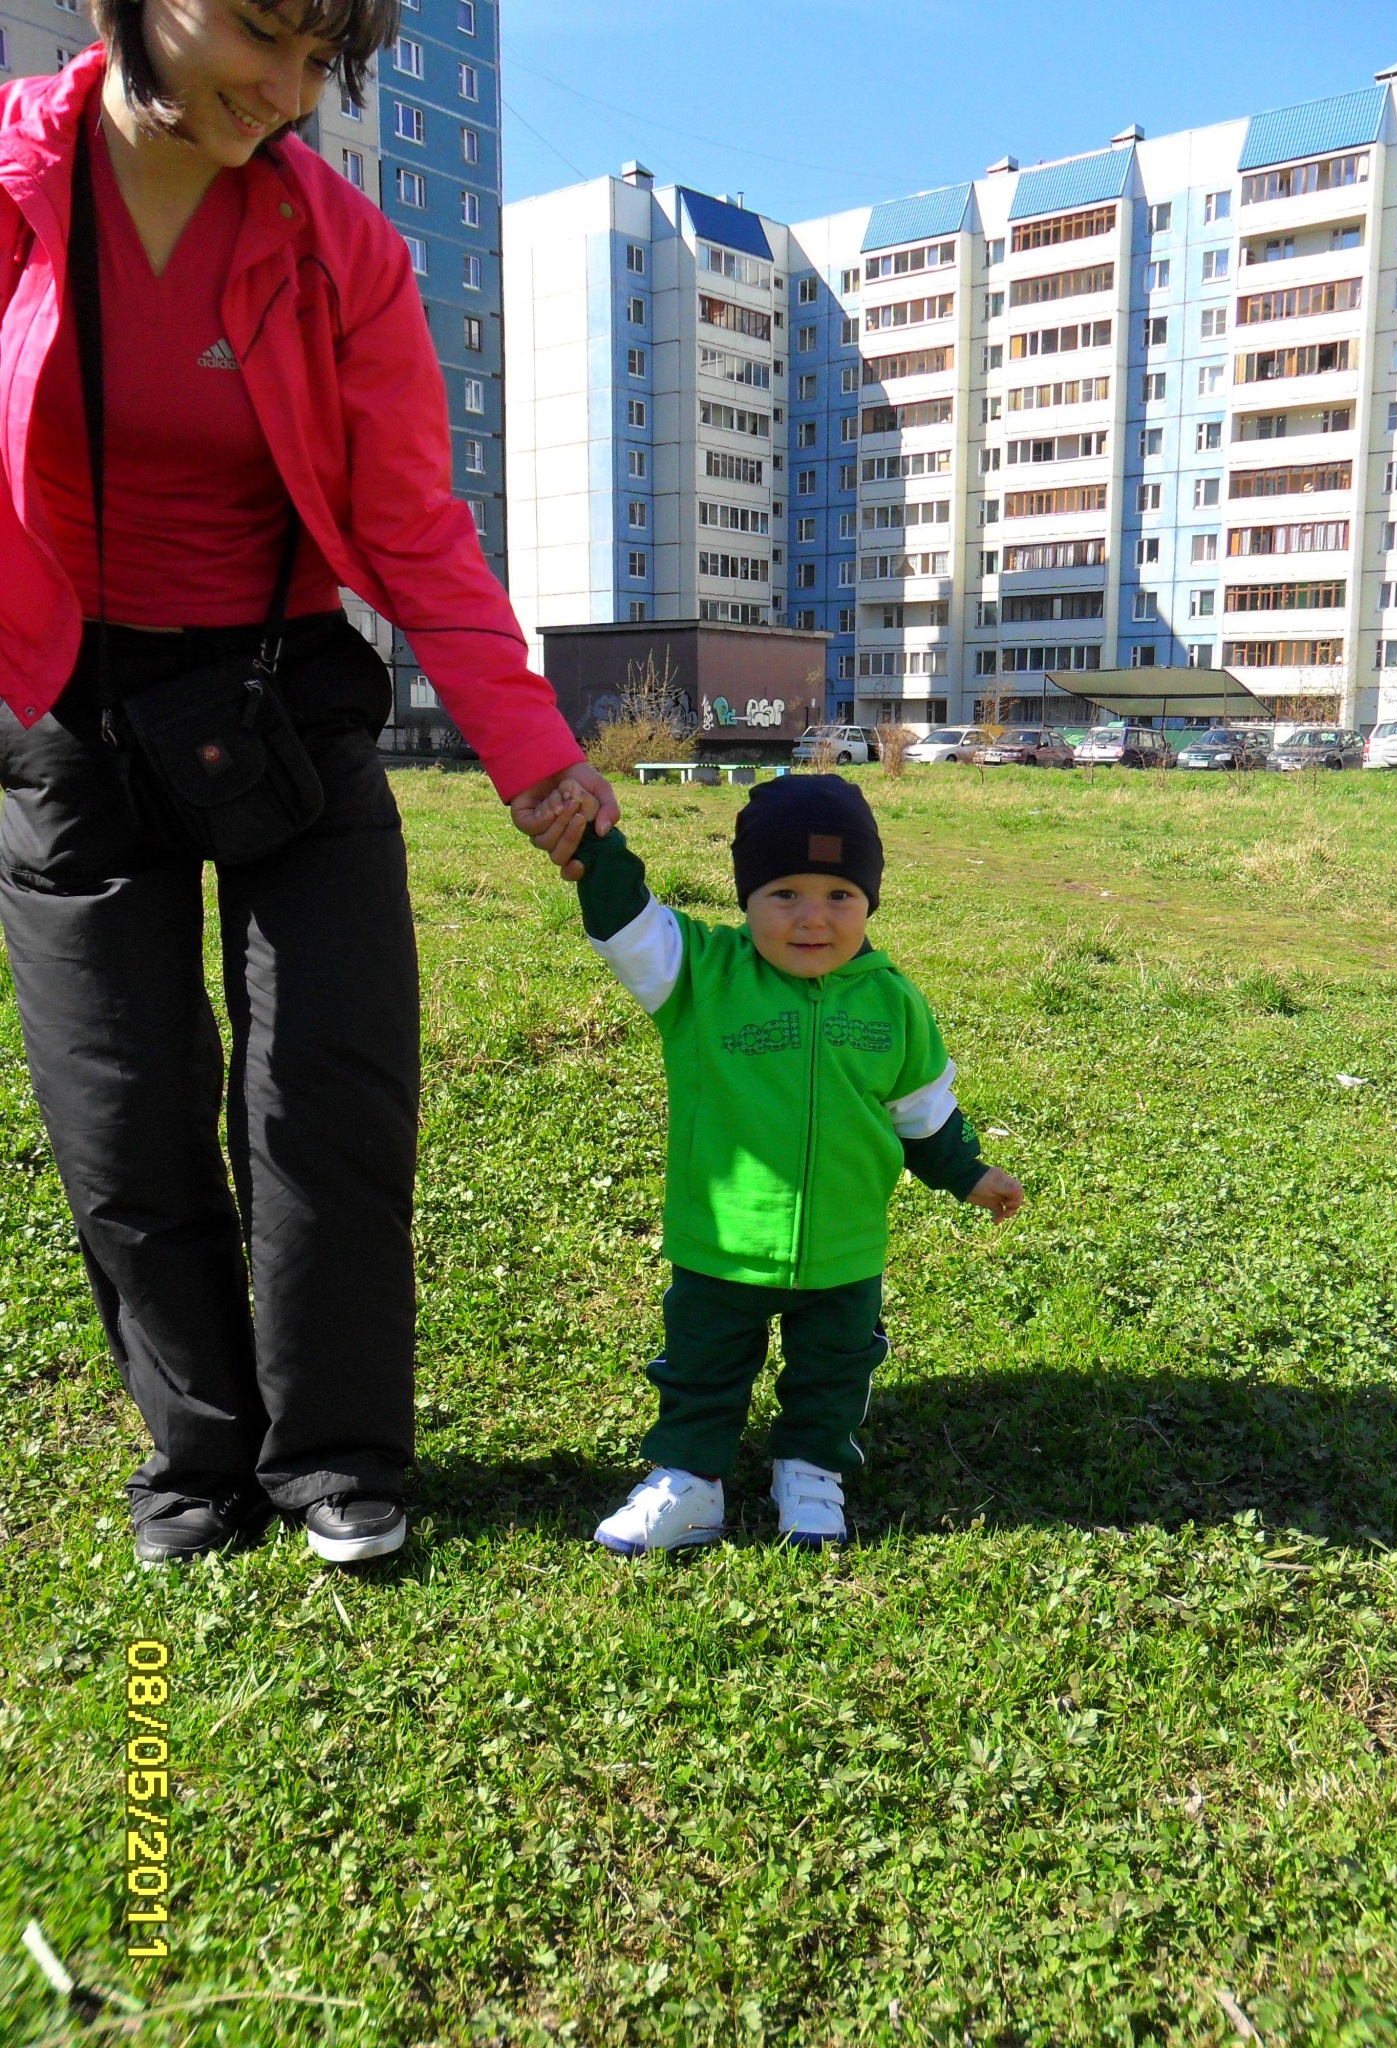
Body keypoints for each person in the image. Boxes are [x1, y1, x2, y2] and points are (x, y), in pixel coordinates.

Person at [0, 4, 613, 1567]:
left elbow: (413, 522)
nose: (284, 94)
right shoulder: (13, 190)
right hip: (68, 713)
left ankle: (337, 1455)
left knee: (330, 1086)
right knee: (119, 1111)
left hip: (286, 704)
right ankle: (198, 1456)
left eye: (320, 64)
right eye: (262, 31)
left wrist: (533, 754)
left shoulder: (344, 249)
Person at [552, 773, 1023, 1553]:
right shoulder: (699, 974)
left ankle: (809, 1466)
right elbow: (626, 922)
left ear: (870, 901)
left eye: (840, 895)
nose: (813, 917)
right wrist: (598, 850)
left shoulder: (892, 1001)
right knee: (701, 1368)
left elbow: (921, 1110)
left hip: (844, 1246)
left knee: (835, 1368)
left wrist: (969, 1173)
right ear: (746, 900)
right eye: (785, 894)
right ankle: (690, 1481)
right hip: (722, 1241)